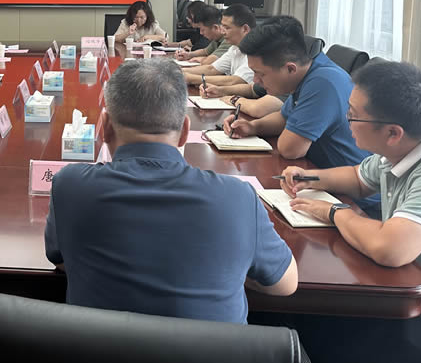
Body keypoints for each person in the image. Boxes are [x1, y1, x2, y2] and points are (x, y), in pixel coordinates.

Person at [272, 61, 421, 363]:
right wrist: (308, 178)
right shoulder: (404, 151)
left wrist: (334, 212)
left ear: (393, 133)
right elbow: (358, 178)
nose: (346, 120)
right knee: (297, 322)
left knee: (303, 331)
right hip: (418, 299)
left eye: (353, 115)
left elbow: (390, 250)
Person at [44, 59, 297, 321]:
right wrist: (228, 268)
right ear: (185, 130)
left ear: (105, 127)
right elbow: (284, 284)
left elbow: (61, 260)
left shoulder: (69, 187)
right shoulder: (238, 198)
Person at [223, 17, 375, 177]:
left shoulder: (322, 83)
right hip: (319, 174)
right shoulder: (310, 70)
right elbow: (283, 118)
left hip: (349, 188)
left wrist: (286, 133)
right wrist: (252, 127)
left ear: (290, 69)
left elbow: (290, 149)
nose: (255, 80)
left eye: (260, 73)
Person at [183, 4, 255, 87]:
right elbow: (212, 69)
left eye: (227, 28)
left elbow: (235, 81)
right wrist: (179, 71)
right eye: (223, 27)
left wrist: (191, 78)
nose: (223, 32)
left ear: (245, 29)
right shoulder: (234, 48)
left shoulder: (257, 51)